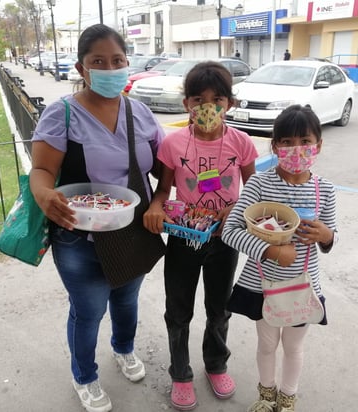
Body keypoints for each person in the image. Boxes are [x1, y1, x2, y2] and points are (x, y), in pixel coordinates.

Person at [29, 24, 165, 412]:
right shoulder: (63, 113)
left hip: (132, 229)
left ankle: (123, 349)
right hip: (79, 235)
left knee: (127, 300)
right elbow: (41, 170)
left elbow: (166, 166)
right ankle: (84, 375)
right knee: (88, 310)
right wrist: (43, 193)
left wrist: (159, 201)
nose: (110, 68)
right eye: (98, 62)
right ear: (81, 68)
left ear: (128, 63)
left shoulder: (140, 112)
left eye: (117, 60)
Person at [143, 61, 258, 411]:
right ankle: (180, 372)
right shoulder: (172, 143)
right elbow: (163, 190)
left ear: (230, 104)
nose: (207, 107)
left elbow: (254, 192)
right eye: (198, 99)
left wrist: (236, 212)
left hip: (226, 239)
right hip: (184, 237)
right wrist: (156, 207)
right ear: (186, 104)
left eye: (217, 99)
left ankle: (216, 363)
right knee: (178, 309)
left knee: (220, 307)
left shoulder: (242, 143)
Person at [222, 105, 338, 412]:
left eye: (304, 140)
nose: (296, 149)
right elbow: (230, 231)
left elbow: (331, 236)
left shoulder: (324, 190)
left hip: (302, 285)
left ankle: (288, 398)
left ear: (319, 144)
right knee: (267, 344)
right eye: (286, 142)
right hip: (263, 284)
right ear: (275, 146)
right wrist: (271, 250)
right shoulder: (260, 184)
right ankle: (266, 395)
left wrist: (326, 235)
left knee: (294, 346)